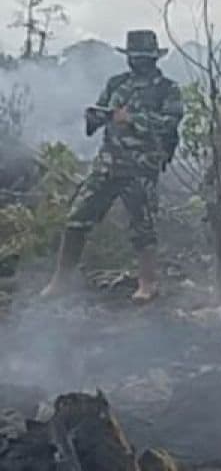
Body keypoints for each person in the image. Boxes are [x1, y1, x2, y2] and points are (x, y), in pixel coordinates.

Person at [41, 30, 184, 302]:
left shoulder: (167, 89)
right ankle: (61, 280)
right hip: (107, 164)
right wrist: (96, 116)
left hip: (141, 168)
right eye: (134, 56)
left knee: (142, 227)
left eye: (142, 57)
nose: (137, 61)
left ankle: (148, 283)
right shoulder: (116, 83)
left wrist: (133, 119)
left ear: (153, 58)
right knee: (77, 217)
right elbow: (100, 115)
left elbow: (170, 124)